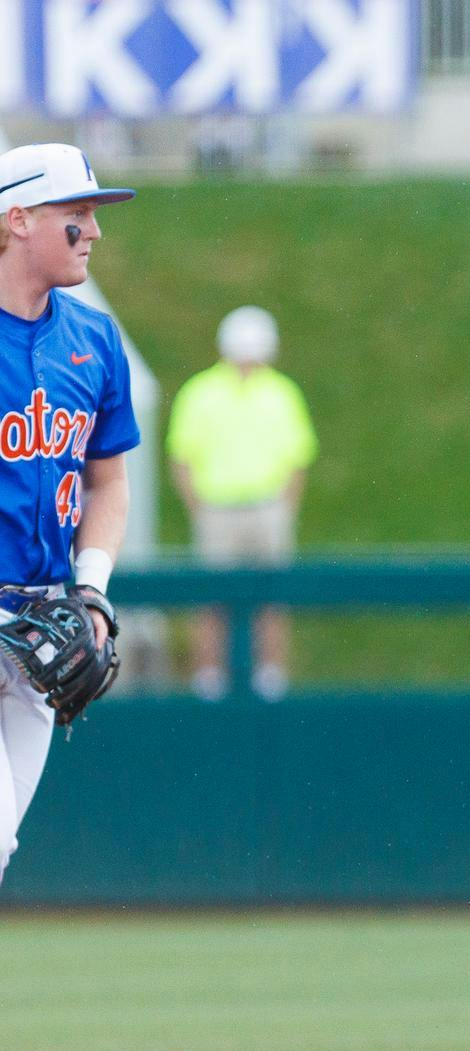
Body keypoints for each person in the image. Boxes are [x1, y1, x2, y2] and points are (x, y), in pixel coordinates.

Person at [0, 143, 137, 890]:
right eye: (76, 215)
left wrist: (91, 590)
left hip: (46, 621)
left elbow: (108, 484)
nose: (94, 231)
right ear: (17, 219)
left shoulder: (93, 338)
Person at [167, 305, 316, 701]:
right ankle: (209, 678)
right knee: (212, 598)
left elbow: (297, 459)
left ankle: (271, 677)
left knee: (272, 595)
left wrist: (284, 508)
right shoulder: (201, 392)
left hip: (267, 506)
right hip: (217, 508)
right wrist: (199, 508)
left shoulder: (281, 392)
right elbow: (182, 458)